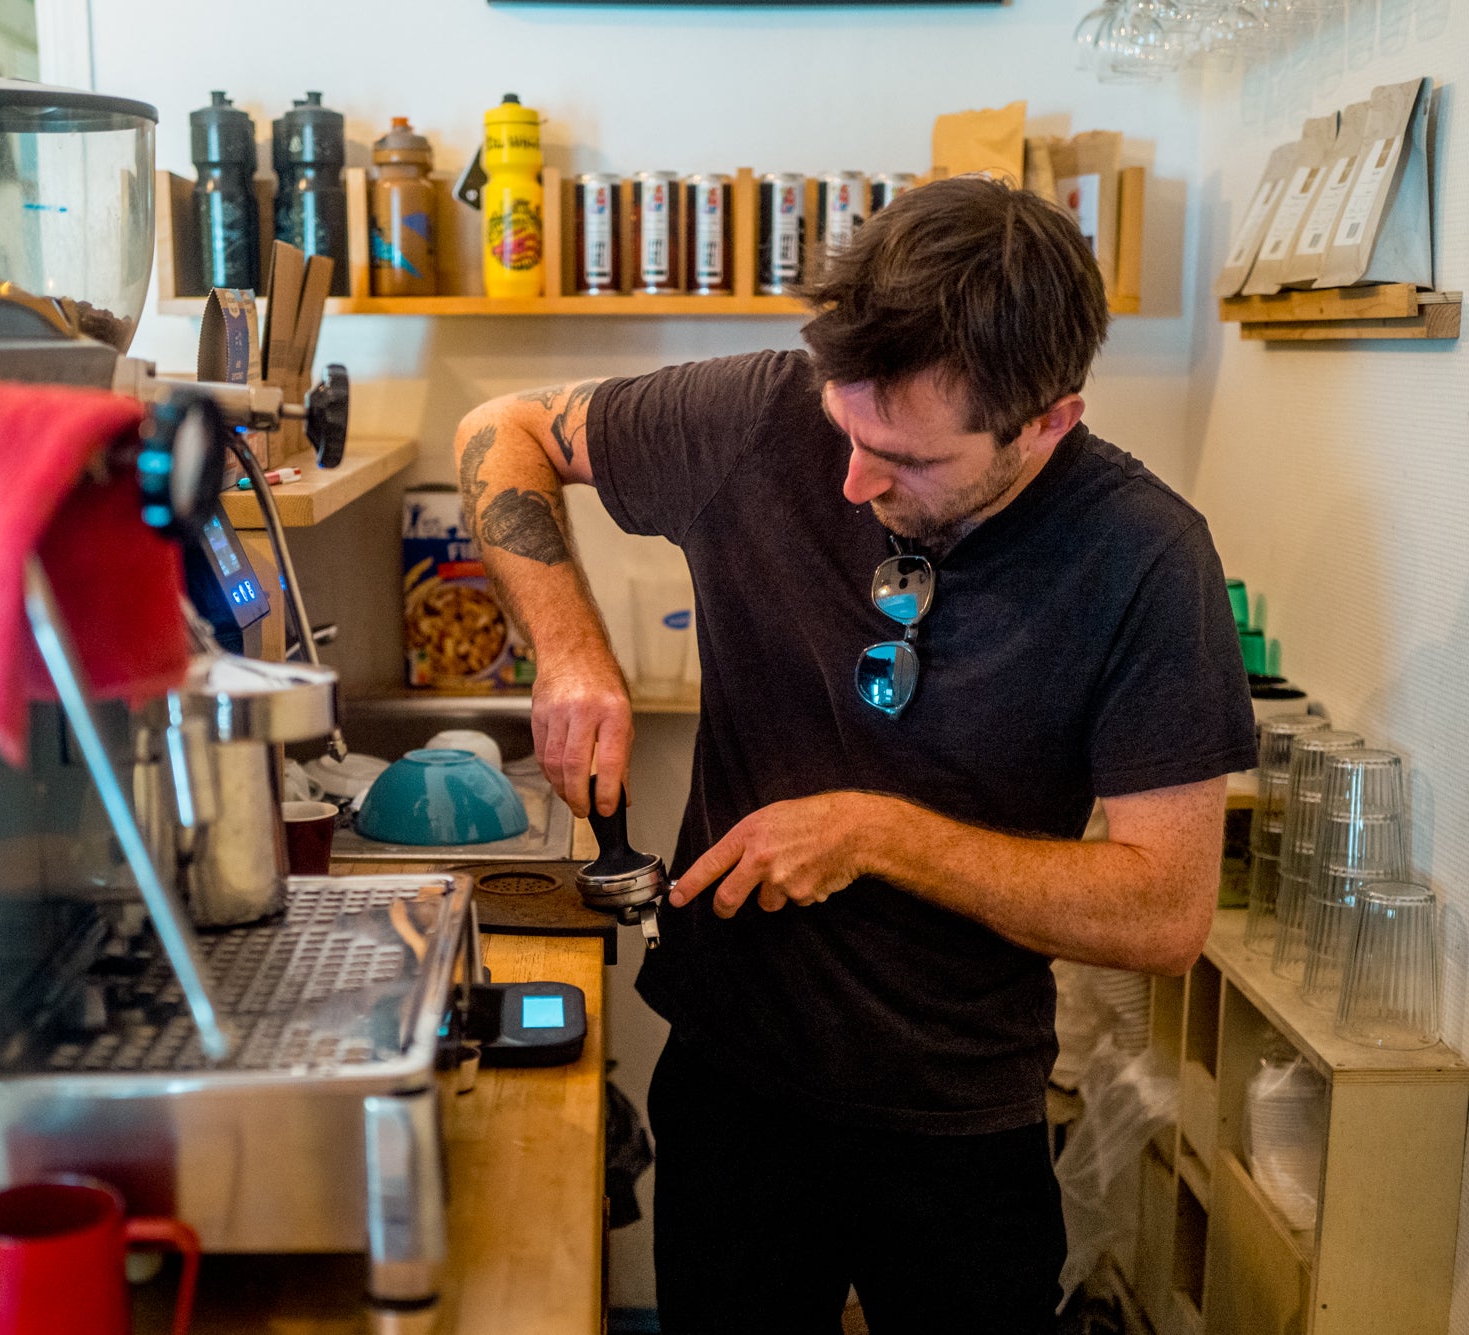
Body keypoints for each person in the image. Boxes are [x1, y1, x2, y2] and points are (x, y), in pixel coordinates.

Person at [450, 176, 1256, 1335]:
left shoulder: (1142, 561)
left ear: (1046, 422)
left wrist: (876, 835)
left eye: (907, 460)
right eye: (845, 430)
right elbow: (501, 431)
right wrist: (569, 650)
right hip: (732, 1080)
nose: (852, 482)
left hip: (959, 1116)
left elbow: (1164, 912)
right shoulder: (757, 416)